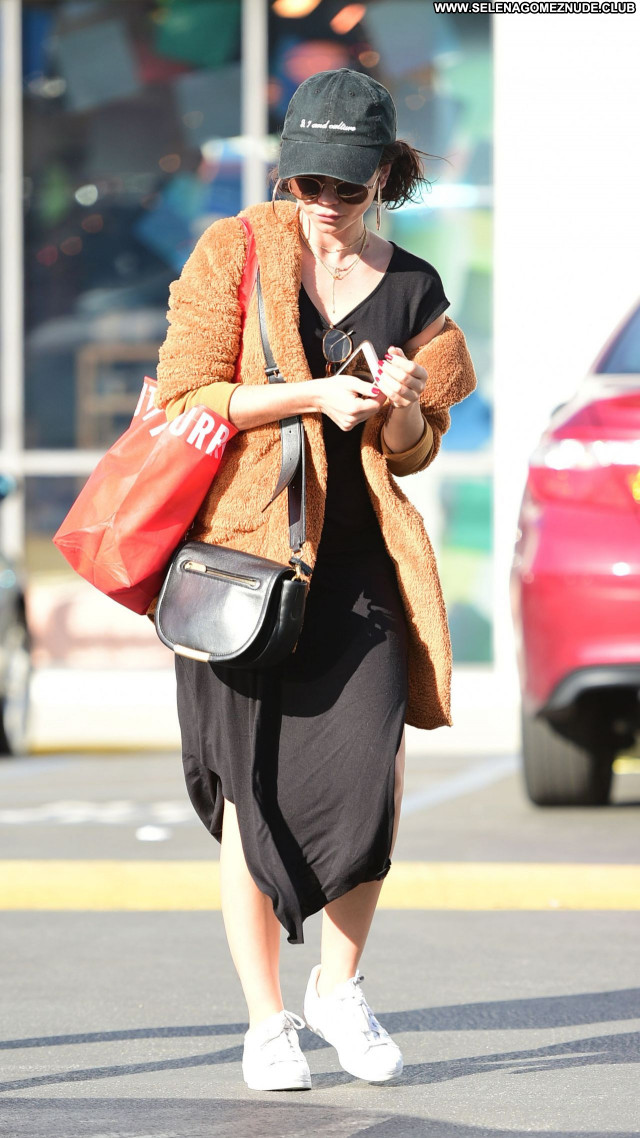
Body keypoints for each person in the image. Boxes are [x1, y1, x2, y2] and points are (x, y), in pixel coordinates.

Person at [154, 68, 477, 1092]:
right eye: (307, 183)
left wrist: (402, 403)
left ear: (383, 176)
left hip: (359, 570)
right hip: (244, 562)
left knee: (372, 777)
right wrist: (311, 395)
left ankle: (339, 986)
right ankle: (266, 1023)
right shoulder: (238, 252)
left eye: (344, 184)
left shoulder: (414, 287)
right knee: (250, 797)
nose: (325, 204)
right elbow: (187, 392)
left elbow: (412, 450)